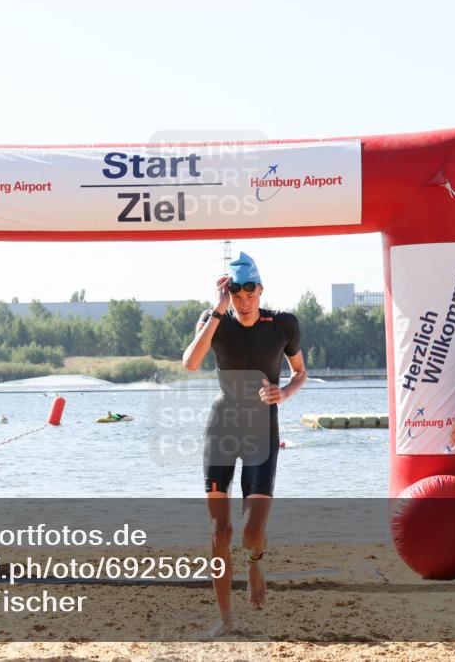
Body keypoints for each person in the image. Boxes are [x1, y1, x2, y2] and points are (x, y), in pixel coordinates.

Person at [181, 252, 307, 636]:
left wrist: (284, 392)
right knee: (220, 531)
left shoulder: (283, 324)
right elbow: (189, 362)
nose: (244, 298)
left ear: (261, 289)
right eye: (235, 291)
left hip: (261, 428)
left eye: (250, 290)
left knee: (252, 530)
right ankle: (225, 619)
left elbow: (301, 372)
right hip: (222, 426)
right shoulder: (214, 319)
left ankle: (255, 561)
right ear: (228, 293)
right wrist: (217, 311)